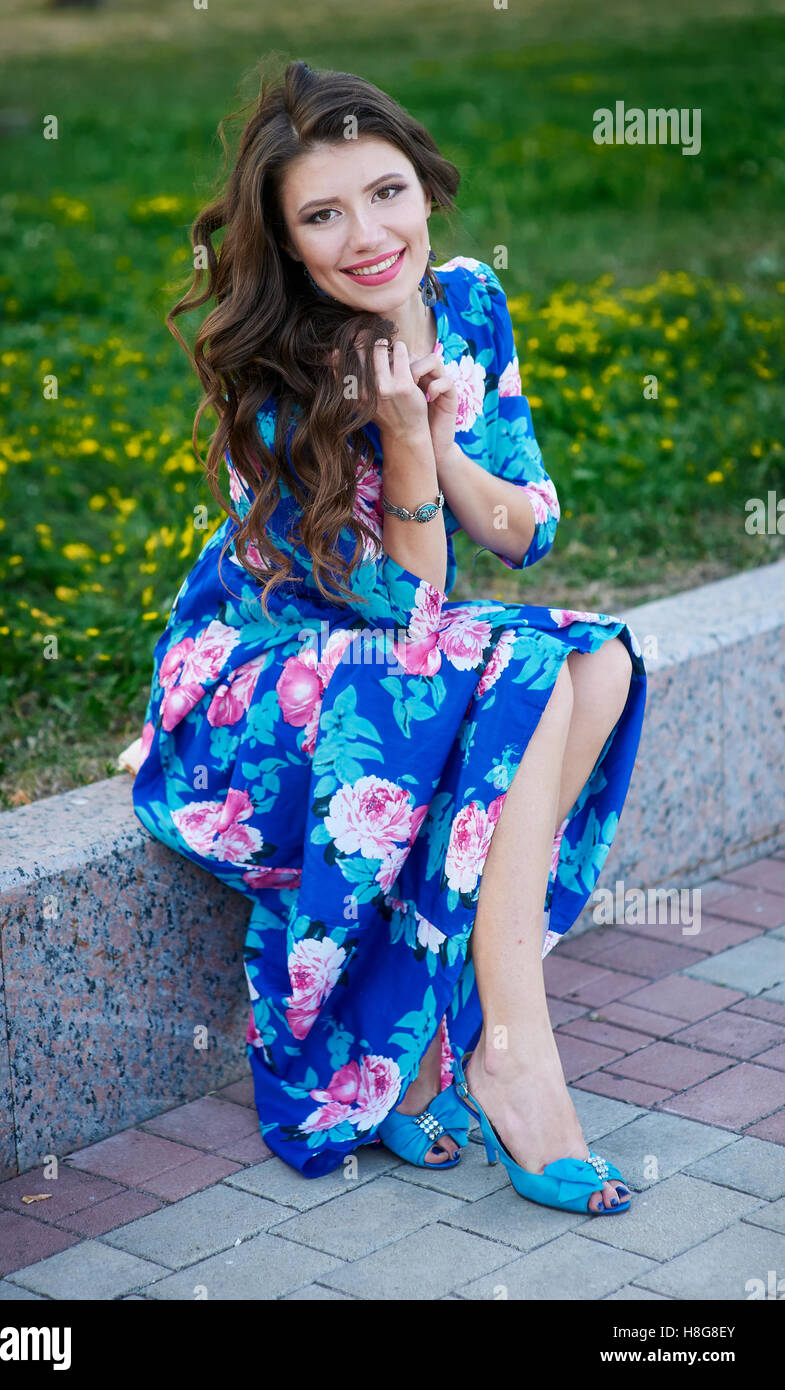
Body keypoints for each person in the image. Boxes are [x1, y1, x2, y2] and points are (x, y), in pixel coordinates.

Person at [131, 60, 647, 1217]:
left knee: (599, 658)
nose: (368, 236)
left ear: (425, 185)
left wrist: (443, 438)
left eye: (387, 192)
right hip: (261, 688)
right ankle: (507, 1052)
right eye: (323, 214)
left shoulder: (465, 302)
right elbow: (408, 614)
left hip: (403, 667)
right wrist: (398, 439)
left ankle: (422, 1049)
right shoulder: (275, 366)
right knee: (521, 660)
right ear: (289, 241)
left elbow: (526, 526)